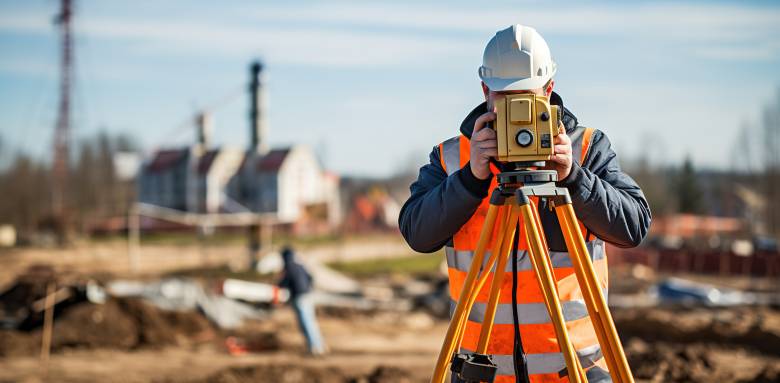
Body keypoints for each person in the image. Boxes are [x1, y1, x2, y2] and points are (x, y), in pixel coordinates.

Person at [399, 25, 651, 383]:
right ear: (486, 91)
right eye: (505, 98)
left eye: (527, 98)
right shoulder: (455, 158)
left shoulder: (584, 149)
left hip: (574, 369)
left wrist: (575, 178)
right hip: (482, 371)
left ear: (549, 89)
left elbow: (634, 225)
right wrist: (470, 179)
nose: (516, 111)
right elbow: (417, 232)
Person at [278, 246, 326, 356]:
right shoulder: (300, 266)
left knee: (306, 323)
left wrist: (277, 286)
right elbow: (310, 278)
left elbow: (283, 284)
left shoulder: (289, 267)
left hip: (300, 298)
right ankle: (319, 346)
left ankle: (314, 348)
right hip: (308, 295)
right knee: (311, 322)